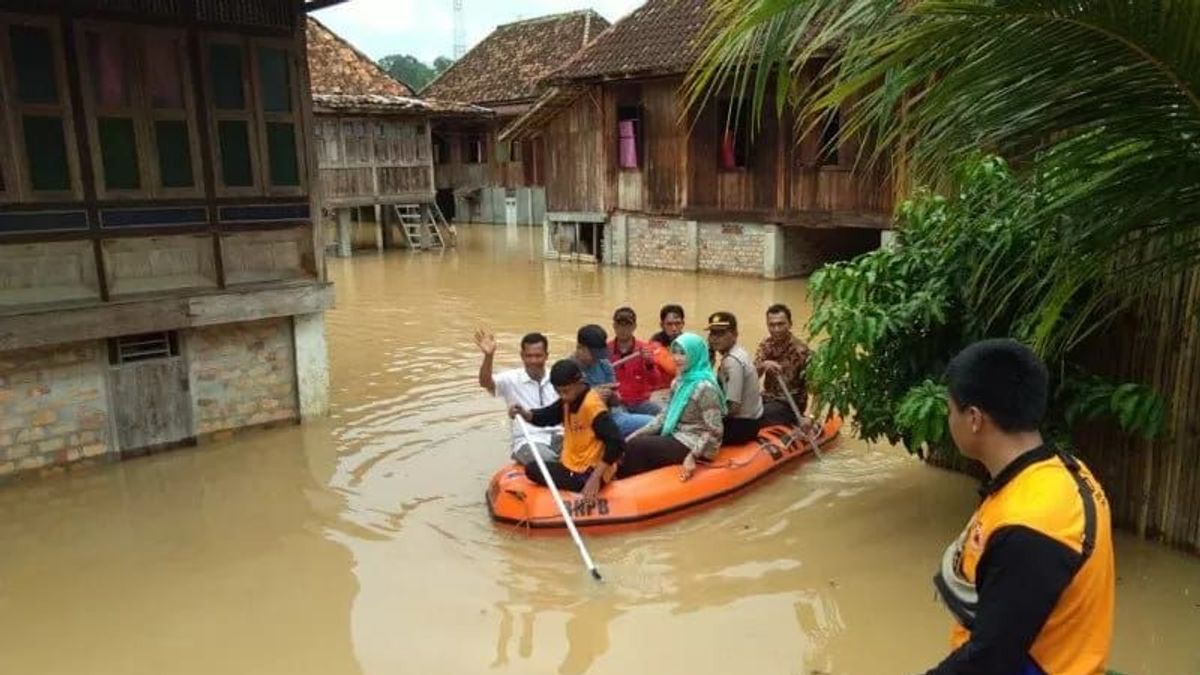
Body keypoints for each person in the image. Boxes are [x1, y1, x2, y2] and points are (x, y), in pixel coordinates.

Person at [926, 339, 1114, 674]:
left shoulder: (1031, 526)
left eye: (949, 409)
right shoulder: (1065, 469)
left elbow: (990, 659)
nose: (948, 419)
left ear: (973, 418)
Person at [508, 360, 625, 502]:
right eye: (558, 392)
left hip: (588, 472)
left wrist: (595, 478)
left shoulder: (592, 407)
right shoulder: (570, 400)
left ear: (579, 382)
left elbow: (617, 443)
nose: (563, 396)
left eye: (565, 391)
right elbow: (548, 415)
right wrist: (524, 413)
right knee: (538, 466)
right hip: (575, 463)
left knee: (532, 469)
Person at [621, 332, 725, 481]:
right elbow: (665, 415)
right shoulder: (679, 381)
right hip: (676, 432)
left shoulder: (705, 387)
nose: (677, 358)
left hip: (694, 441)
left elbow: (715, 429)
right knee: (632, 441)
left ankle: (624, 488)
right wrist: (637, 434)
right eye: (674, 352)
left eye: (683, 353)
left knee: (638, 447)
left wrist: (692, 456)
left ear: (695, 355)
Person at [475, 329, 562, 465]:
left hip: (559, 436)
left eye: (538, 356)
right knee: (548, 462)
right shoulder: (511, 378)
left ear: (546, 356)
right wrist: (488, 356)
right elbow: (485, 383)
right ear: (522, 356)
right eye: (529, 356)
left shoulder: (558, 377)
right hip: (529, 440)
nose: (533, 361)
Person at [575, 324, 654, 437]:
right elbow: (567, 404)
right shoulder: (569, 368)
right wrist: (592, 395)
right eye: (593, 354)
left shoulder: (604, 363)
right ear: (580, 348)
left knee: (653, 423)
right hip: (585, 421)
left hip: (612, 414)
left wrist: (612, 395)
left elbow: (617, 401)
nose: (597, 358)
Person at [705, 311, 764, 445]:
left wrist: (708, 416)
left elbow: (733, 407)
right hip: (749, 421)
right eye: (712, 333)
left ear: (734, 335)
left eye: (721, 334)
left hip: (741, 426)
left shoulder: (732, 361)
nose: (715, 338)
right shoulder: (738, 352)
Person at [754, 303, 812, 426]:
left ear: (790, 324)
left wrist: (811, 416)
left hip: (790, 404)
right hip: (767, 398)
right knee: (741, 410)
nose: (776, 329)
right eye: (772, 325)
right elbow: (752, 376)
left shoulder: (801, 351)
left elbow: (817, 388)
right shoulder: (766, 344)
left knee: (756, 417)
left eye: (781, 324)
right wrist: (763, 365)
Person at [608, 306, 666, 416]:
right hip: (617, 404)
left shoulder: (645, 349)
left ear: (634, 326)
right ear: (614, 326)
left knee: (664, 416)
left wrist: (650, 364)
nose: (623, 329)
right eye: (620, 325)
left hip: (640, 403)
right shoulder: (606, 350)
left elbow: (656, 382)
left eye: (627, 325)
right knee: (619, 418)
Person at [647, 304, 686, 395]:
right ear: (662, 325)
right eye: (669, 324)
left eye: (677, 323)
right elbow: (672, 369)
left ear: (683, 324)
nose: (674, 328)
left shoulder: (688, 343)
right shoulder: (655, 343)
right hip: (660, 391)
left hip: (682, 389)